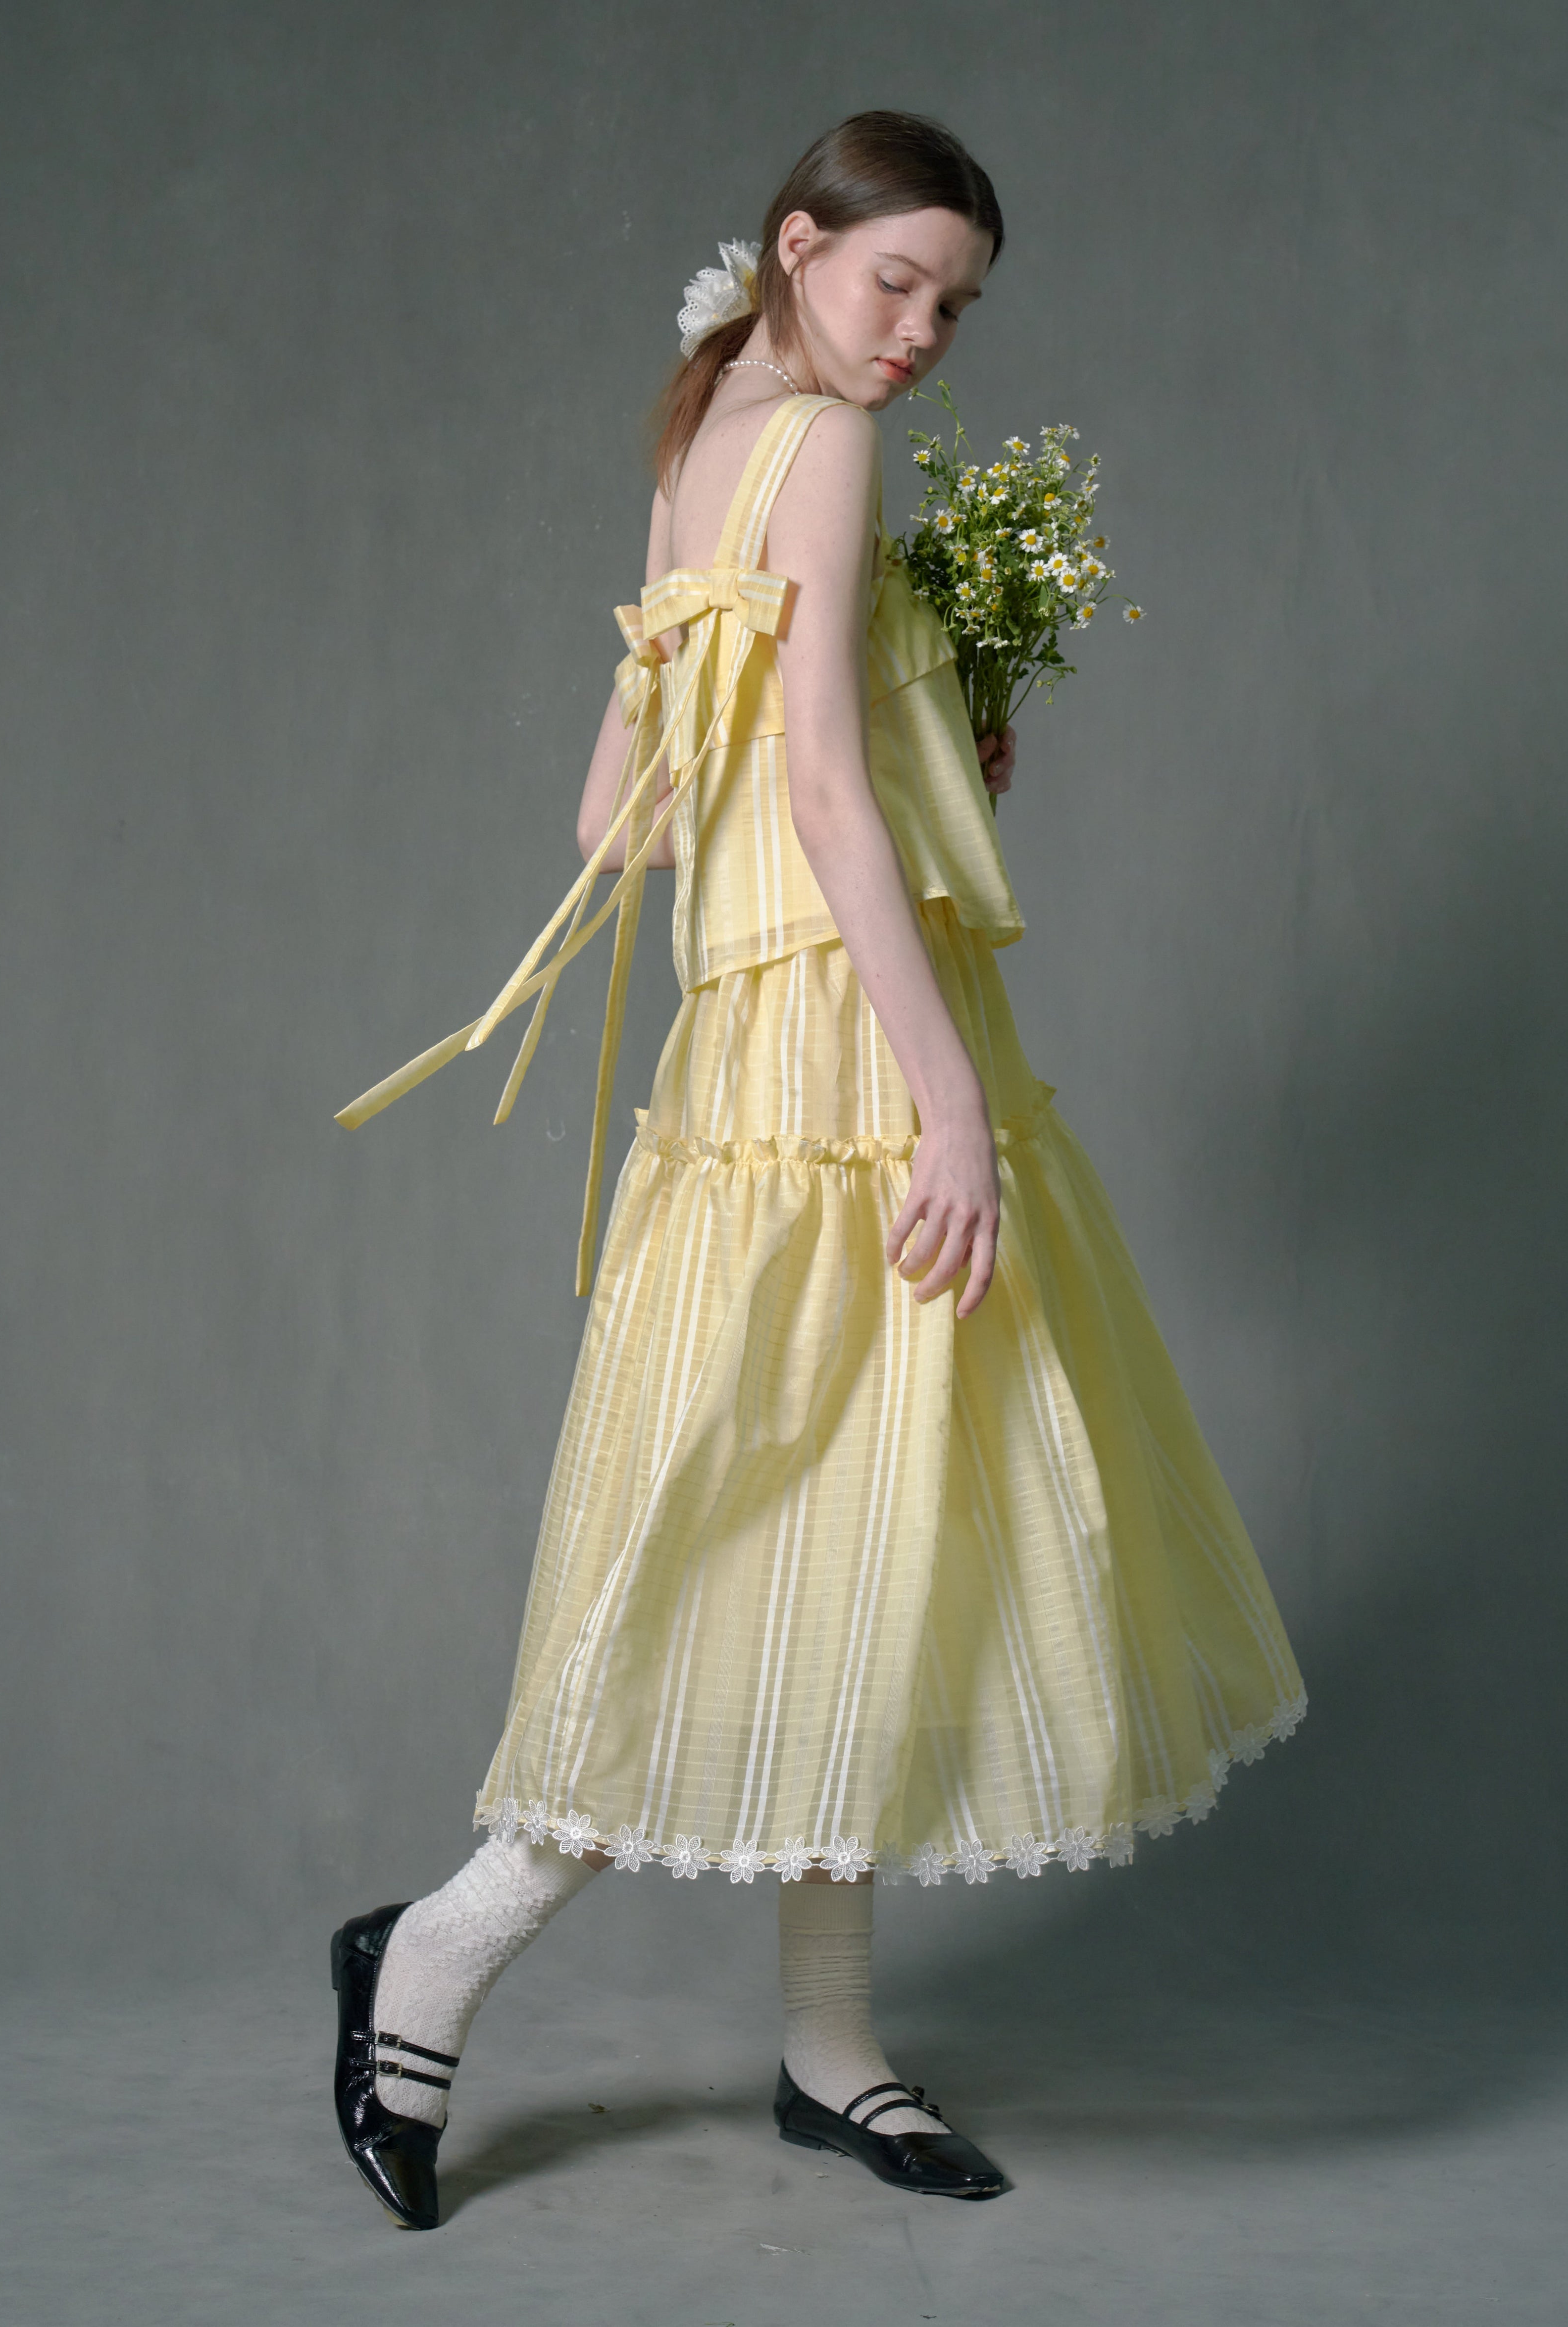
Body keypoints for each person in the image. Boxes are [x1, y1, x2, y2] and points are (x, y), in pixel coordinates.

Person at [329, 110, 1306, 2232]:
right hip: (850, 1064)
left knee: (861, 1523)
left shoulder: (704, 428)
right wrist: (947, 1099)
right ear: (797, 245)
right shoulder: (831, 446)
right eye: (896, 282)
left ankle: (829, 2042)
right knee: (739, 1528)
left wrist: (924, 719)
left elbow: (622, 814)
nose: (924, 331)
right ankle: (431, 1954)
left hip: (769, 1046)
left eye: (957, 304)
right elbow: (819, 812)